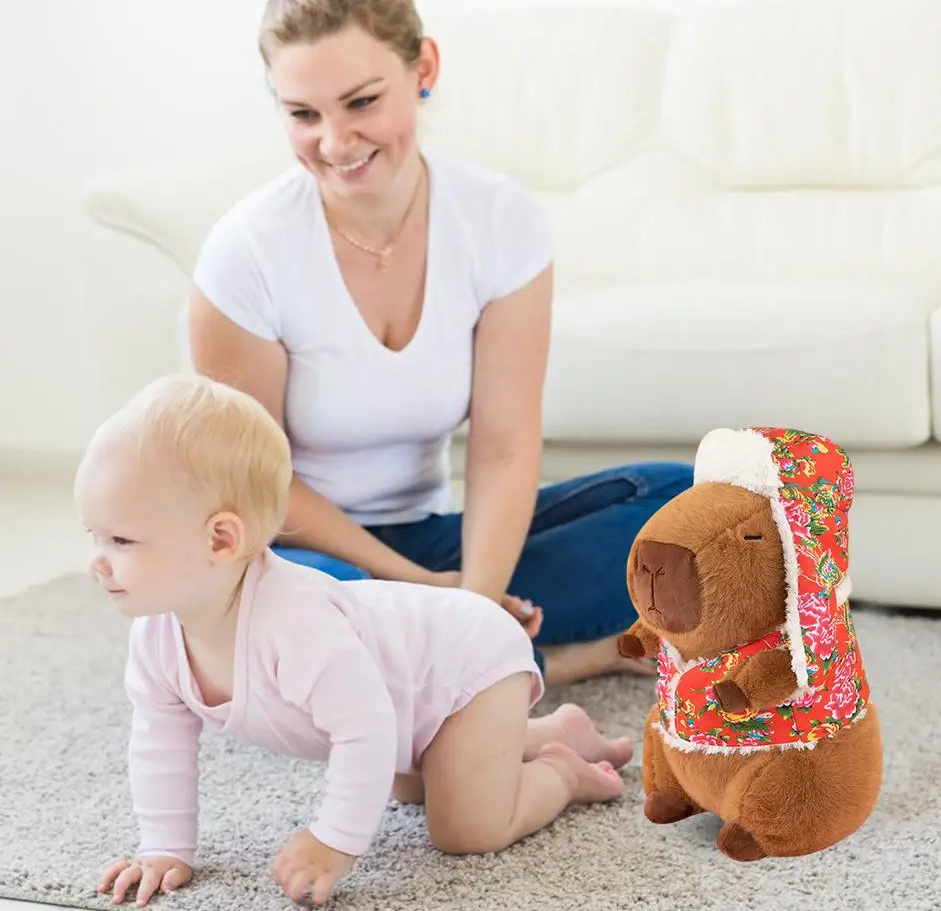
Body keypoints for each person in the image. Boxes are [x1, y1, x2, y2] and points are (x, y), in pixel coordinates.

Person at [189, 0, 694, 685]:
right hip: (299, 558)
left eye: (361, 102)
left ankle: (471, 660)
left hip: (435, 542)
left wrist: (476, 597)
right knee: (328, 618)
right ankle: (541, 661)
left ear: (422, 66)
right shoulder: (246, 252)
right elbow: (261, 489)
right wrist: (426, 593)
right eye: (303, 114)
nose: (334, 141)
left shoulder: (501, 222)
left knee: (688, 506)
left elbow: (502, 445)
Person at [79, 375, 633, 907]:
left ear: (221, 540)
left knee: (466, 828)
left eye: (121, 539)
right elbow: (160, 740)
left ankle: (561, 771)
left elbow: (365, 732)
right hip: (406, 696)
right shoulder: (155, 638)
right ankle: (552, 730)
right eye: (94, 536)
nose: (96, 563)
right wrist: (165, 848)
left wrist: (334, 841)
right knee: (411, 786)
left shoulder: (294, 624)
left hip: (468, 660)